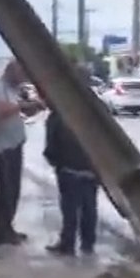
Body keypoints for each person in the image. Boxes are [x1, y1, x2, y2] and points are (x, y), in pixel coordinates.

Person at [0, 59, 42, 246]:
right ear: (11, 72)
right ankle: (0, 232)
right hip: (3, 147)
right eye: (21, 74)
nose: (23, 78)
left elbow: (20, 112)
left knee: (13, 190)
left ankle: (7, 228)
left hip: (15, 144)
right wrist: (22, 105)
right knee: (5, 191)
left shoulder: (12, 90)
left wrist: (33, 107)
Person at [43, 109, 98, 256]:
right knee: (89, 207)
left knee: (70, 209)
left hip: (68, 169)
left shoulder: (57, 117)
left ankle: (68, 243)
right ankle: (88, 243)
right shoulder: (94, 113)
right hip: (91, 169)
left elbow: (51, 147)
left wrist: (55, 162)